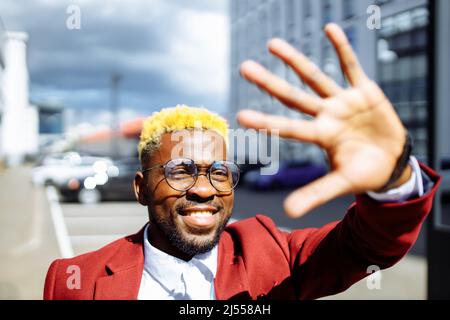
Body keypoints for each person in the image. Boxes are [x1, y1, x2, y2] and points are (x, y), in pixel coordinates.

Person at [44, 23, 440, 300]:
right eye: (180, 171)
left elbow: (366, 247)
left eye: (219, 172)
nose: (203, 190)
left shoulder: (272, 255)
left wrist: (393, 176)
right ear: (140, 187)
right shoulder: (76, 282)